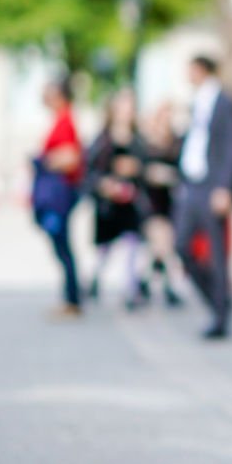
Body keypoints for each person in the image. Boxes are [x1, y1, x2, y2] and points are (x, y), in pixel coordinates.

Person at [174, 55, 232, 339]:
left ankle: (220, 314)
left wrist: (225, 187)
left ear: (201, 70)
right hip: (191, 185)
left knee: (217, 254)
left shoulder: (223, 100)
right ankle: (218, 299)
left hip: (212, 185)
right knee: (181, 245)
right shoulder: (196, 102)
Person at [85, 87, 149, 310]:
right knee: (105, 247)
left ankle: (131, 289)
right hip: (109, 203)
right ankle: (94, 278)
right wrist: (105, 184)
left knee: (132, 244)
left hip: (130, 202)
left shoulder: (137, 139)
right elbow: (91, 171)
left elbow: (145, 166)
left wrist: (136, 169)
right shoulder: (103, 139)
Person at [32, 76, 84, 317]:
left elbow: (71, 157)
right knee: (62, 245)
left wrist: (44, 161)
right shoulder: (61, 119)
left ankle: (72, 299)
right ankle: (71, 297)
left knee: (62, 245)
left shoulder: (65, 120)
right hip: (60, 191)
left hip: (60, 193)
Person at [138, 102, 185, 307]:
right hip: (151, 202)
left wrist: (170, 176)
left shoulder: (177, 143)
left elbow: (184, 172)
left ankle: (145, 281)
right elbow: (139, 170)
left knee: (161, 247)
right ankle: (166, 287)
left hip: (170, 202)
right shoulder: (146, 144)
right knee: (162, 243)